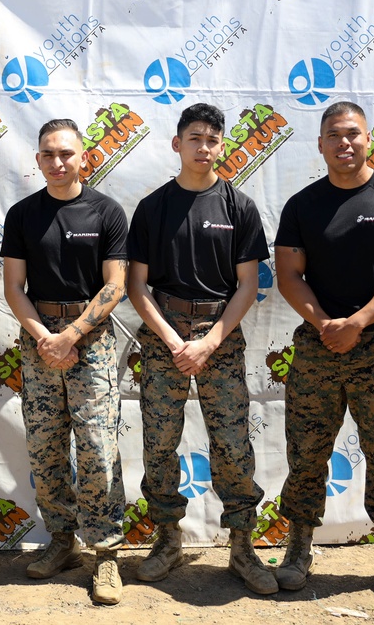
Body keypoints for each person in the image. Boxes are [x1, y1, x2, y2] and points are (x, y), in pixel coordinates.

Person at [274, 101, 374, 605]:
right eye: (334, 136)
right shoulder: (302, 205)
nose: (345, 143)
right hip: (317, 350)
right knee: (306, 456)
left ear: (369, 139)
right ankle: (298, 547)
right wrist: (325, 325)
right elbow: (288, 275)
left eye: (353, 134)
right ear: (320, 144)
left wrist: (358, 322)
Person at [127, 103, 276, 595]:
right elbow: (136, 286)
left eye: (213, 139)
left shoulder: (239, 207)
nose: (204, 148)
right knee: (159, 442)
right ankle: (167, 540)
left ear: (222, 146)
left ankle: (241, 547)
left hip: (221, 338)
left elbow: (248, 285)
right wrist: (174, 341)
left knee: (233, 444)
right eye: (195, 138)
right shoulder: (153, 208)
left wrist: (210, 340)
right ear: (177, 144)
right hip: (163, 337)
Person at [1, 119, 129, 605]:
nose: (58, 162)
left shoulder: (107, 212)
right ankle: (61, 541)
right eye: (49, 154)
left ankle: (106, 554)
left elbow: (114, 285)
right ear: (38, 161)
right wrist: (45, 338)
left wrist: (72, 334)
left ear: (84, 157)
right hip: (39, 342)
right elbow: (14, 287)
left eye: (67, 154)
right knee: (46, 447)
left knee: (97, 447)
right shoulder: (22, 215)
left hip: (89, 341)